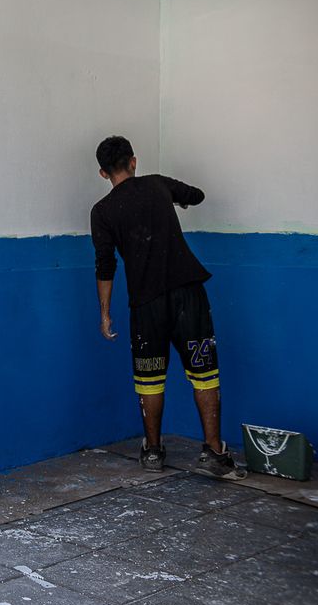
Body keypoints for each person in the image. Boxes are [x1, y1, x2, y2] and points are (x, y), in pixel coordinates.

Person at [90, 136, 246, 481]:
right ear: (133, 161)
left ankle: (153, 451)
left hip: (146, 305)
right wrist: (179, 200)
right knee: (204, 373)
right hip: (189, 294)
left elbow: (105, 265)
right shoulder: (158, 184)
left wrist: (104, 312)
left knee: (150, 380)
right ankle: (214, 452)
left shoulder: (101, 212)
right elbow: (196, 195)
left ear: (103, 173)